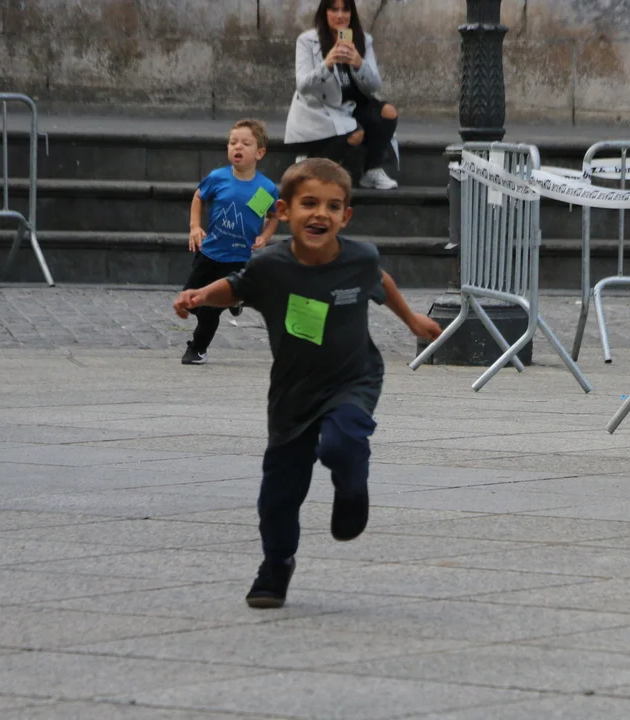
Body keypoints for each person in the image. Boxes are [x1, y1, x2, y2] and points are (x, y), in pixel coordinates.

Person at [173, 159, 441, 608]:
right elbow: (235, 287)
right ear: (284, 210)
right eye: (309, 204)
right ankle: (276, 565)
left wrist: (411, 318)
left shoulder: (360, 258)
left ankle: (351, 487)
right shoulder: (270, 266)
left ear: (346, 216)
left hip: (353, 378)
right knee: (279, 493)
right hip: (293, 393)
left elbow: (379, 280)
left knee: (342, 442)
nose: (320, 214)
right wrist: (199, 296)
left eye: (333, 207)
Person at [181, 119, 280, 365]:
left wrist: (265, 237)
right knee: (190, 301)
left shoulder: (264, 189)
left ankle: (197, 349)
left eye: (246, 143)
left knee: (209, 310)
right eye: (233, 142)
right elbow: (198, 197)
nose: (238, 147)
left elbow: (273, 216)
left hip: (238, 259)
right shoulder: (218, 178)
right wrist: (195, 226)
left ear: (259, 153)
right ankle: (234, 299)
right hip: (210, 253)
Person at [285, 0, 400, 190]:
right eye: (334, 9)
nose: (340, 15)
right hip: (320, 111)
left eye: (345, 10)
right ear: (325, 12)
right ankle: (311, 162)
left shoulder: (363, 40)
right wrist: (327, 64)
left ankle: (372, 170)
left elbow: (375, 85)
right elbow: (303, 85)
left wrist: (359, 64)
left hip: (351, 106)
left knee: (388, 112)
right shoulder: (307, 41)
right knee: (355, 134)